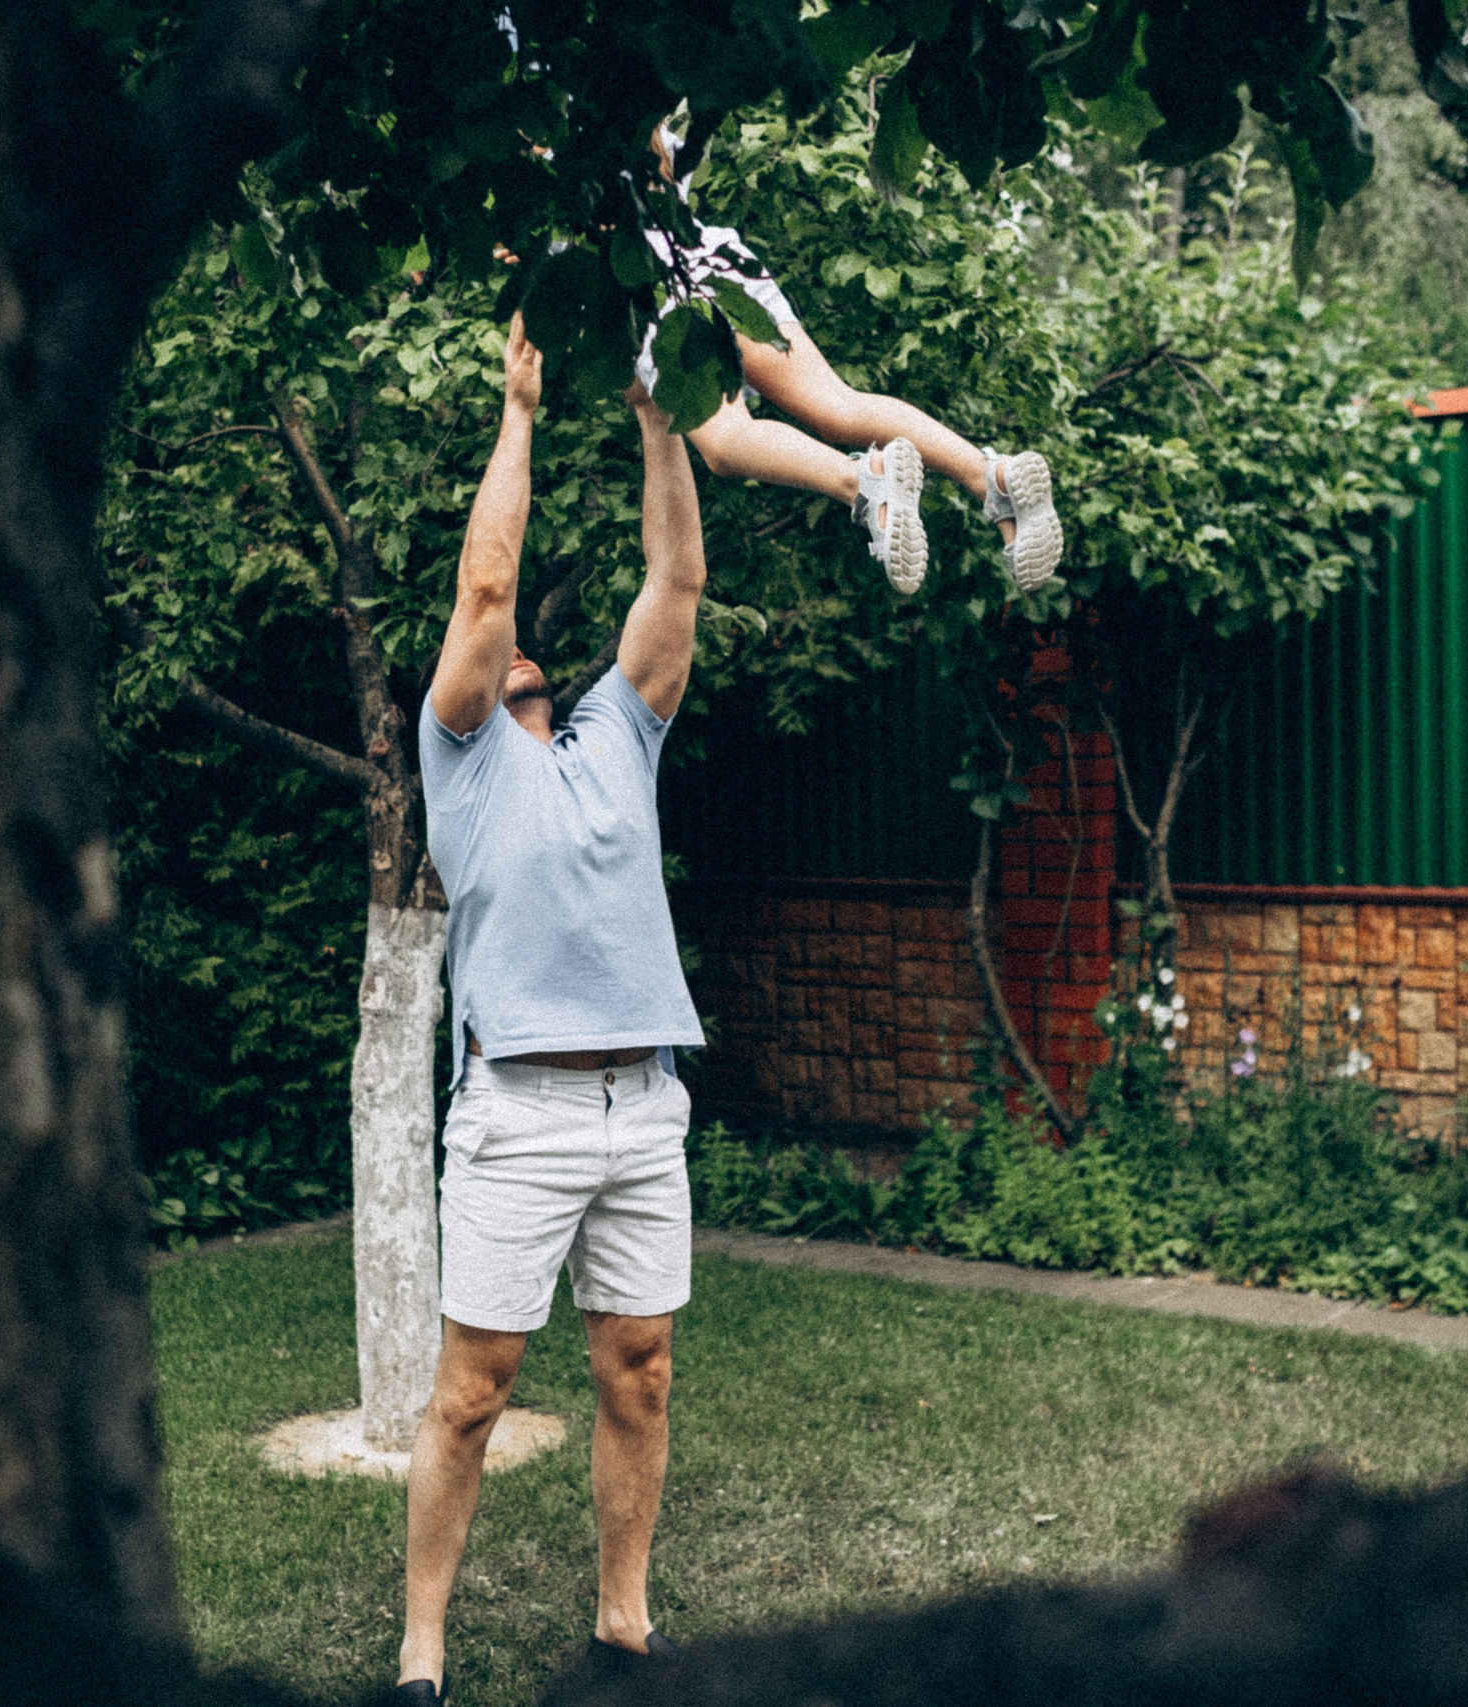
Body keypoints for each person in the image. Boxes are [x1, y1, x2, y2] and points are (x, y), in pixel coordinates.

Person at [394, 315, 708, 1705]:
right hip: (515, 1105)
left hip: (642, 1102)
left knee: (636, 1369)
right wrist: (517, 410)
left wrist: (661, 413)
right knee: (476, 1390)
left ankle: (624, 1624)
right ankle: (421, 1656)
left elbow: (677, 576)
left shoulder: (612, 737)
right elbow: (483, 589)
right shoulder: (458, 754)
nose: (509, 653)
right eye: (499, 649)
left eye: (524, 654)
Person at [633, 122, 1062, 599]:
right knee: (839, 405)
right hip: (716, 259)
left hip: (651, 284)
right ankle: (992, 477)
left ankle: (861, 479)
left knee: (727, 439)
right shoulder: (646, 116)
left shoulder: (549, 152)